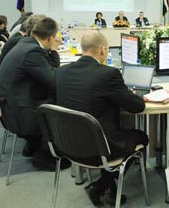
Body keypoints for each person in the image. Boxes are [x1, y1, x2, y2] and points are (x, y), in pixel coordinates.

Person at [56, 31, 147, 206]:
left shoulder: (61, 72)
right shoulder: (108, 74)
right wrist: (130, 94)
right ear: (103, 51)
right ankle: (100, 186)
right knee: (141, 137)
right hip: (99, 147)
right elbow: (137, 107)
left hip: (67, 143)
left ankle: (109, 188)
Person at [0, 17, 62, 170]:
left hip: (11, 103)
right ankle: (44, 155)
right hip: (19, 113)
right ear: (50, 37)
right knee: (63, 100)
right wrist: (55, 51)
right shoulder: (33, 52)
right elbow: (53, 80)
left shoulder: (26, 43)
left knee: (50, 93)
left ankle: (33, 145)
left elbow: (47, 73)